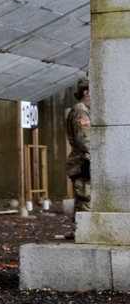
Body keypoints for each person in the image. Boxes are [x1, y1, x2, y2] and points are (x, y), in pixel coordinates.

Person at [65, 76, 91, 213]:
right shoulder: (81, 110)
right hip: (83, 163)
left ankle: (79, 231)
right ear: (86, 92)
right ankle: (82, 232)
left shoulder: (85, 109)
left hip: (84, 163)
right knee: (85, 201)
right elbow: (84, 140)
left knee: (85, 201)